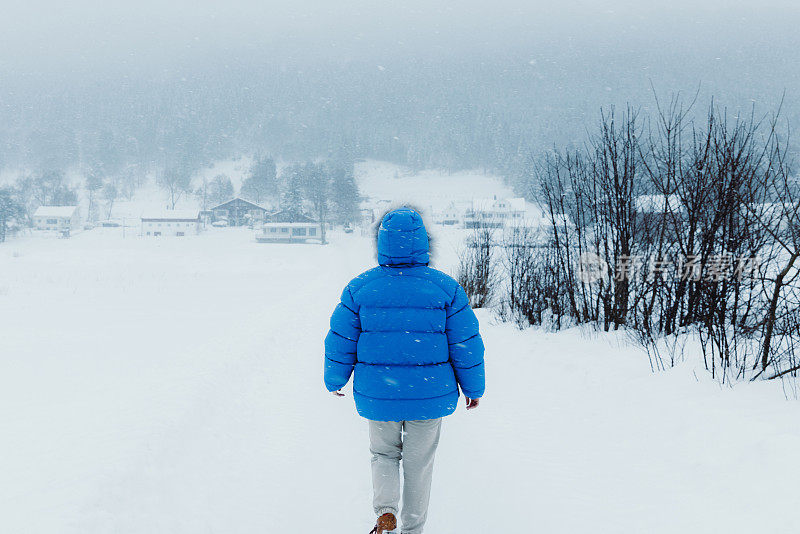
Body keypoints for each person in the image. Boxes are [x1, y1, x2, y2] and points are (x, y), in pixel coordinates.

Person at [324, 207, 485, 534]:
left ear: (382, 244)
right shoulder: (445, 288)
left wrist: (335, 378)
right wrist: (473, 388)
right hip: (428, 396)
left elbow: (341, 338)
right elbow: (466, 343)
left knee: (383, 454)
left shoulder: (360, 288)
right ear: (423, 243)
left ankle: (386, 512)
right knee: (418, 465)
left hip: (379, 392)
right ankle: (413, 529)